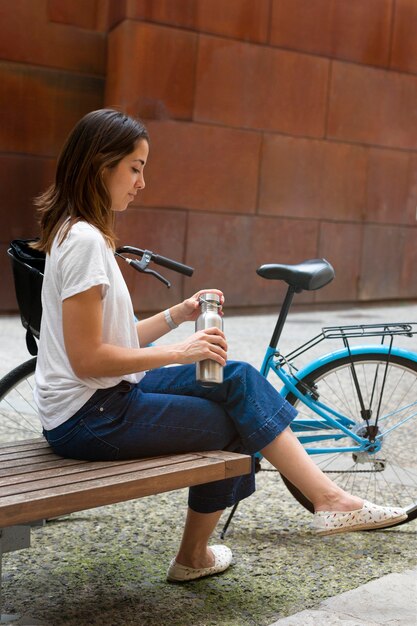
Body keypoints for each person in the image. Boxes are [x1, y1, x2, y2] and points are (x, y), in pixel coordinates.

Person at [33, 109, 407, 583]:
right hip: (90, 416)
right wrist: (181, 353)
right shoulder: (85, 241)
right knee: (237, 427)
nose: (142, 183)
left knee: (239, 377)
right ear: (100, 164)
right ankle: (198, 555)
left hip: (99, 401)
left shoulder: (79, 232)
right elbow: (89, 359)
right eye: (136, 167)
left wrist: (178, 314)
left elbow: (114, 340)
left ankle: (328, 501)